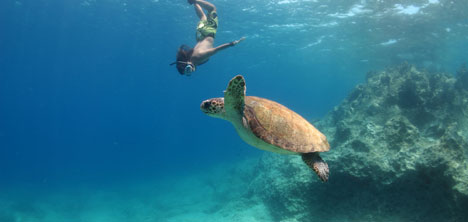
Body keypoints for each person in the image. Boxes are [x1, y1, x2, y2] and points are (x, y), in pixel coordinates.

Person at [171, 0, 245, 76]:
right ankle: (194, 3)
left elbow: (217, 49)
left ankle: (194, 0)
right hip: (199, 35)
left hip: (208, 33)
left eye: (188, 71)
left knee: (212, 9)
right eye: (189, 73)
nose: (191, 72)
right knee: (203, 17)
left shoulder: (199, 57)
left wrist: (232, 43)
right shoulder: (189, 56)